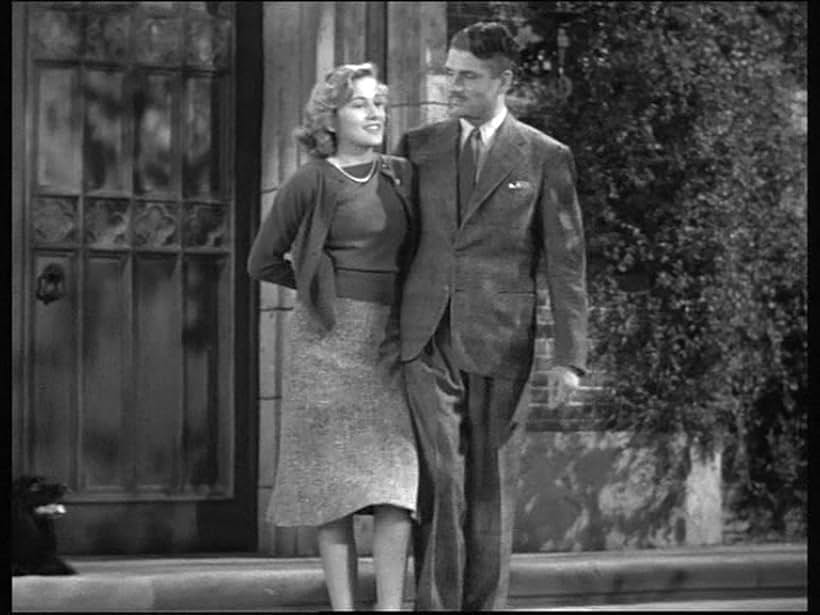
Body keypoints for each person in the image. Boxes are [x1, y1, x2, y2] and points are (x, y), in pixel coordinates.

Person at [394, 22, 589, 611]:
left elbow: (567, 261)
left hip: (504, 341)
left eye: (468, 77)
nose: (453, 86)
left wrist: (571, 360)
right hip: (427, 338)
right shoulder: (418, 147)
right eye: (449, 73)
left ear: (504, 79)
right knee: (441, 477)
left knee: (491, 487)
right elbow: (395, 245)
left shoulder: (545, 156)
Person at [248, 62, 418, 611]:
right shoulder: (312, 179)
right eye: (360, 104)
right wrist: (321, 283)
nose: (375, 114)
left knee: (398, 488)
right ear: (331, 119)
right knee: (333, 489)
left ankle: (391, 608)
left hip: (393, 342)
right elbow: (262, 260)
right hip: (327, 344)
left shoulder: (400, 175)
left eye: (379, 103)